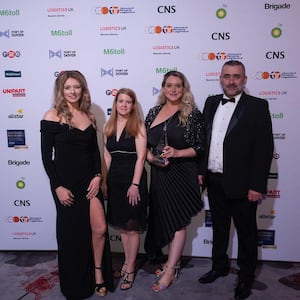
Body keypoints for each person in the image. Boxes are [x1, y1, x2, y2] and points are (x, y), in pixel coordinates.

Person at [198, 60, 274, 299]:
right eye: (227, 76)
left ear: (244, 79)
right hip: (214, 180)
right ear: (220, 78)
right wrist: (201, 172)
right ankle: (219, 267)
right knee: (219, 228)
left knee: (246, 232)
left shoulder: (257, 106)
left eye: (236, 76)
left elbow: (264, 149)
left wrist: (257, 186)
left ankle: (245, 277)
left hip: (243, 185)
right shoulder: (211, 102)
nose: (231, 81)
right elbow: (204, 141)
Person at [40, 70, 114, 299]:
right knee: (72, 236)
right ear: (61, 91)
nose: (73, 91)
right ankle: (75, 284)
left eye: (77, 87)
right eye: (68, 87)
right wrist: (58, 187)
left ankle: (99, 274)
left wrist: (97, 176)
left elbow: (94, 152)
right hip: (66, 185)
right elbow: (46, 157)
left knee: (100, 228)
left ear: (83, 89)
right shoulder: (52, 116)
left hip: (89, 182)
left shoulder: (89, 116)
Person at [144, 70, 205, 292]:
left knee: (178, 220)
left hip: (182, 173)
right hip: (160, 174)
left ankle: (170, 269)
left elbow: (200, 147)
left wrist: (177, 153)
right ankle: (174, 261)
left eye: (178, 85)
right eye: (169, 85)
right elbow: (145, 142)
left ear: (184, 89)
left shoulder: (191, 113)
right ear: (163, 87)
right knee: (165, 218)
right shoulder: (153, 112)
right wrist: (150, 157)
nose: (173, 89)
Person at [102, 88, 148, 290]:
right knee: (122, 226)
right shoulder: (108, 126)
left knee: (132, 226)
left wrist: (135, 185)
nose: (124, 105)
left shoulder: (138, 125)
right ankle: (127, 263)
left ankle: (130, 268)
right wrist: (104, 181)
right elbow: (107, 157)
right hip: (115, 182)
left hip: (133, 181)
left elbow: (141, 157)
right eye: (120, 101)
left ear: (133, 105)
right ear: (115, 104)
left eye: (128, 102)